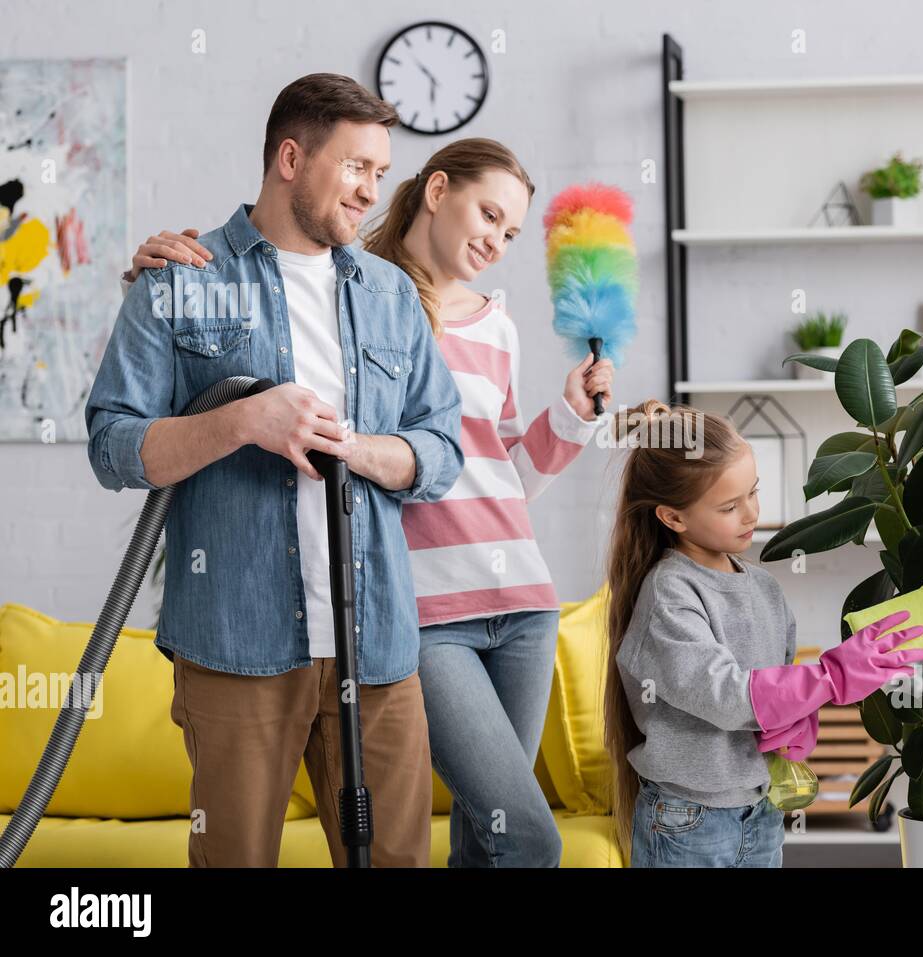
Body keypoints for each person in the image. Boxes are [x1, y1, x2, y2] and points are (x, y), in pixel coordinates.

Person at [122, 138, 614, 867]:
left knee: (490, 839)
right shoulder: (356, 296)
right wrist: (151, 280)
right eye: (488, 214)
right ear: (438, 190)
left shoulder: (499, 323)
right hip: (424, 609)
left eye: (511, 233)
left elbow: (496, 473)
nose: (496, 241)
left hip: (521, 600)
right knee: (530, 838)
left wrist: (570, 420)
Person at [86, 72, 464, 867]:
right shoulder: (180, 279)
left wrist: (354, 449)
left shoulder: (392, 294)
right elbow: (112, 444)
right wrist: (238, 420)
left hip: (380, 643)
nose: (371, 190)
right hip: (236, 642)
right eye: (356, 166)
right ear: (291, 158)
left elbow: (441, 449)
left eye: (379, 172)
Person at [603, 400, 923, 867]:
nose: (751, 514)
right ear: (673, 518)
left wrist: (801, 718)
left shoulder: (763, 587)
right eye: (729, 506)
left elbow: (777, 680)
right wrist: (830, 678)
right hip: (688, 820)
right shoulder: (669, 595)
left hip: (760, 809)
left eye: (752, 493)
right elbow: (725, 695)